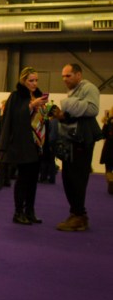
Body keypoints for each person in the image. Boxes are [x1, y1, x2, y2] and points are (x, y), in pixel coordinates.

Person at [50, 63, 101, 231]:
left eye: (68, 76)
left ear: (78, 75)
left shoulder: (89, 88)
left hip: (82, 140)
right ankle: (76, 213)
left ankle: (79, 216)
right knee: (68, 178)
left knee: (77, 179)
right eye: (63, 76)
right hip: (71, 140)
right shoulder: (73, 91)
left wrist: (66, 104)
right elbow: (75, 115)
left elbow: (92, 110)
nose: (64, 79)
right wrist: (62, 115)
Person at [0, 67, 48, 225]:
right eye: (31, 80)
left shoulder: (39, 96)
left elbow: (41, 119)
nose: (34, 83)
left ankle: (30, 211)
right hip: (22, 143)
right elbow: (15, 117)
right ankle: (18, 212)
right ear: (23, 80)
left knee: (33, 179)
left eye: (36, 80)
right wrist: (31, 106)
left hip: (37, 143)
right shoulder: (16, 96)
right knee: (23, 179)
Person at [100, 110, 113, 195]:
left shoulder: (108, 121)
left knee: (108, 168)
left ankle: (111, 181)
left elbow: (103, 135)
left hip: (109, 146)